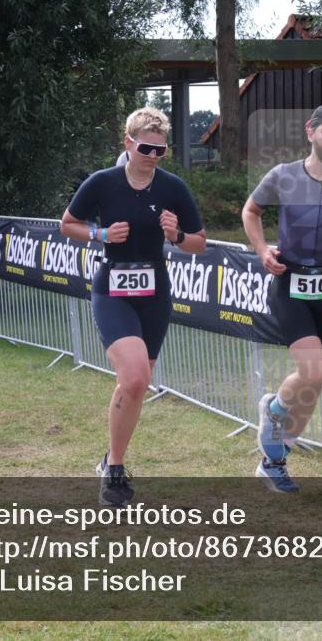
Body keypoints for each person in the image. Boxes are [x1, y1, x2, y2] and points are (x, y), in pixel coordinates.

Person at [59, 107, 206, 507]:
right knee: (137, 376)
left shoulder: (172, 188)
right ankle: (116, 471)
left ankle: (109, 459)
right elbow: (67, 223)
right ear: (128, 143)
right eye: (146, 148)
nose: (152, 156)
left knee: (136, 385)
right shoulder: (103, 183)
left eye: (160, 151)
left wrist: (176, 235)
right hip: (113, 287)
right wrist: (100, 233)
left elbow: (199, 242)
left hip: (155, 291)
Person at [242, 103, 322, 492]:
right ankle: (274, 408)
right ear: (310, 133)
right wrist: (263, 250)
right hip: (290, 284)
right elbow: (251, 211)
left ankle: (274, 460)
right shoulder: (282, 176)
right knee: (312, 370)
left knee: (317, 380)